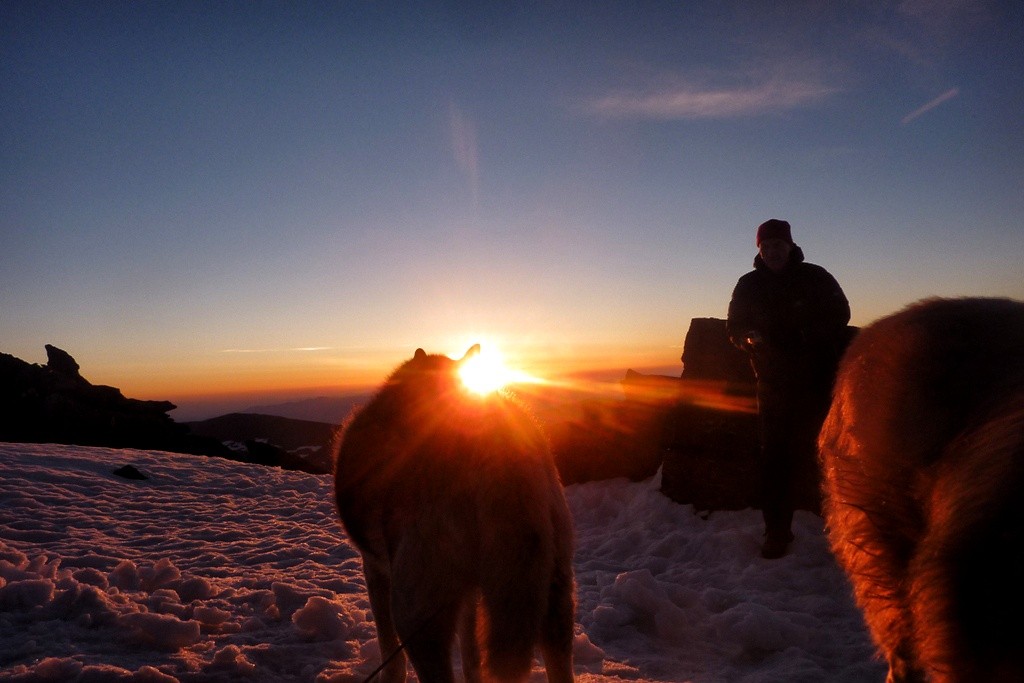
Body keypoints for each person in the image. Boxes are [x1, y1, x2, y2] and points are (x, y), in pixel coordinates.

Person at [727, 219, 850, 559]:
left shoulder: (816, 277)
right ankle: (777, 532)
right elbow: (734, 326)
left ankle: (841, 527)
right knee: (776, 459)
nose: (772, 253)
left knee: (827, 454)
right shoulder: (749, 284)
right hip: (773, 385)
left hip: (818, 381)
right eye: (765, 248)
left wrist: (802, 336)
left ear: (790, 246)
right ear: (759, 250)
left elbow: (841, 313)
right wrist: (747, 339)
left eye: (777, 246)